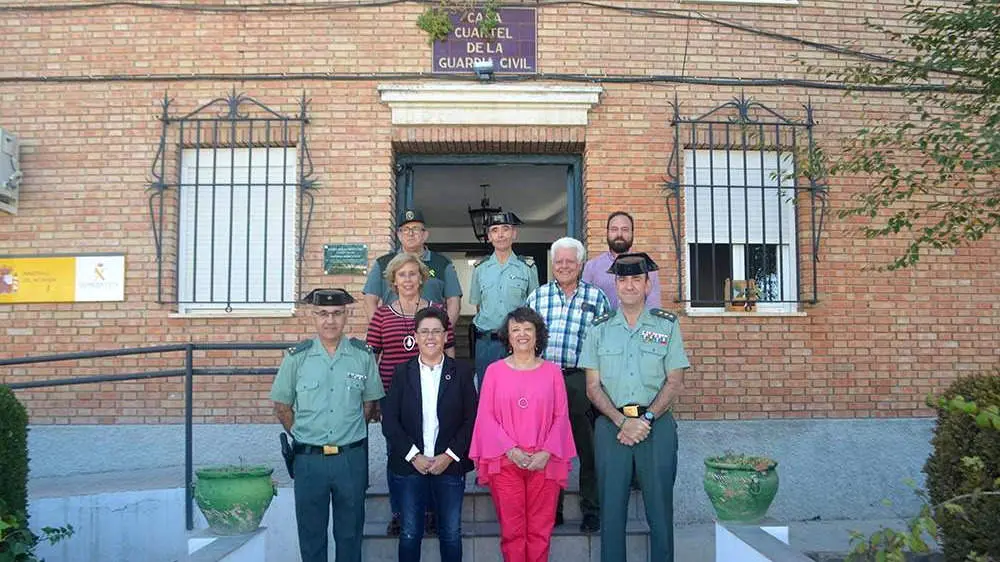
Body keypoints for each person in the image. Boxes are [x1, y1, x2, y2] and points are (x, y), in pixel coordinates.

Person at [578, 253, 690, 562]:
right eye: (622, 280)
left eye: (635, 279)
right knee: (611, 511)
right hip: (611, 427)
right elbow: (592, 387)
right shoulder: (599, 328)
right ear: (615, 285)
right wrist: (621, 421)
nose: (628, 285)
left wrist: (647, 418)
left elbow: (674, 380)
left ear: (647, 284)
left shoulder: (667, 325)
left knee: (659, 510)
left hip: (657, 426)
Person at [270, 288, 384, 562]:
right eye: (323, 314)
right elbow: (282, 407)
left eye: (336, 314)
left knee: (350, 536)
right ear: (313, 316)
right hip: (309, 461)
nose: (329, 320)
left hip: (350, 460)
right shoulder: (297, 358)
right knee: (311, 538)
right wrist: (305, 435)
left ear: (346, 316)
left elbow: (370, 405)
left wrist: (349, 430)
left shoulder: (362, 355)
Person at [469, 306, 576, 562]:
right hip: (506, 461)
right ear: (507, 335)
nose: (522, 334)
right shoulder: (494, 372)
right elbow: (486, 416)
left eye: (528, 328)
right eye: (515, 329)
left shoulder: (552, 372)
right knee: (512, 531)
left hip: (544, 461)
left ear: (538, 335)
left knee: (541, 531)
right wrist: (510, 449)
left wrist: (546, 452)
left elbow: (561, 416)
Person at [366, 252, 456, 536]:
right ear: (393, 280)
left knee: (431, 451)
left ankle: (429, 513)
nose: (407, 279)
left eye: (413, 274)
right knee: (399, 455)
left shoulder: (436, 311)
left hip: (431, 395)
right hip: (394, 399)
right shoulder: (382, 315)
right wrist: (373, 401)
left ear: (422, 278)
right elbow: (373, 358)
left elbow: (449, 351)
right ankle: (400, 513)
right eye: (401, 274)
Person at [525, 236, 609, 533]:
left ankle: (591, 510)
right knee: (550, 448)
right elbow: (524, 340)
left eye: (569, 261)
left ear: (581, 264)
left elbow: (604, 345)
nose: (563, 266)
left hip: (580, 379)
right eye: (558, 261)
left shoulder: (597, 298)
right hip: (544, 378)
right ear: (552, 264)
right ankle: (553, 509)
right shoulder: (537, 297)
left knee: (587, 449)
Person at [381, 306, 478, 562]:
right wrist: (415, 456)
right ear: (416, 335)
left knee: (450, 534)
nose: (431, 337)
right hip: (411, 466)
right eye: (424, 331)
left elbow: (472, 420)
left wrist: (449, 455)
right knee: (411, 534)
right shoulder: (402, 373)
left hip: (449, 465)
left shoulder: (463, 372)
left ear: (446, 336)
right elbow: (390, 421)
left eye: (436, 331)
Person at [468, 211, 539, 387]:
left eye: (505, 229)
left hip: (518, 342)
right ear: (489, 236)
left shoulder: (527, 267)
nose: (500, 235)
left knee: (519, 389)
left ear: (514, 233)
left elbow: (534, 308)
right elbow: (479, 305)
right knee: (486, 390)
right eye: (494, 230)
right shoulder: (480, 268)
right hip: (487, 343)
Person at [363, 208, 463, 328]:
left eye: (415, 229)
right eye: (405, 230)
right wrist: (379, 330)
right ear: (399, 235)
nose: (410, 234)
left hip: (430, 336)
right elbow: (369, 300)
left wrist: (443, 331)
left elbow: (453, 302)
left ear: (425, 235)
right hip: (392, 333)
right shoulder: (382, 263)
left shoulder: (443, 263)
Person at [582, 211, 661, 310]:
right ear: (607, 233)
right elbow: (585, 307)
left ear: (632, 233)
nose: (619, 234)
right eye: (614, 229)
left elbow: (653, 308)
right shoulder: (591, 267)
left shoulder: (647, 266)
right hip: (603, 325)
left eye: (625, 229)